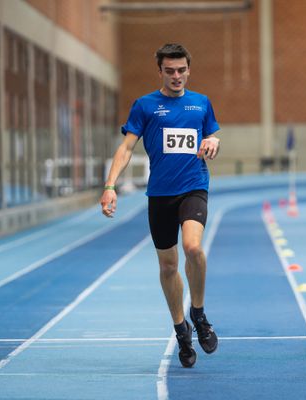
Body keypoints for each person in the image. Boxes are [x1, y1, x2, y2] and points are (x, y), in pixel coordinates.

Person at [100, 44, 220, 368]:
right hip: (160, 196)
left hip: (194, 187)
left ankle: (199, 312)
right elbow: (125, 149)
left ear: (188, 70)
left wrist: (213, 142)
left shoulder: (201, 103)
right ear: (161, 72)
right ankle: (182, 328)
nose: (176, 76)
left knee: (194, 248)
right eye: (170, 71)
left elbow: (214, 138)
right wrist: (110, 186)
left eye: (181, 70)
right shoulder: (145, 106)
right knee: (168, 267)